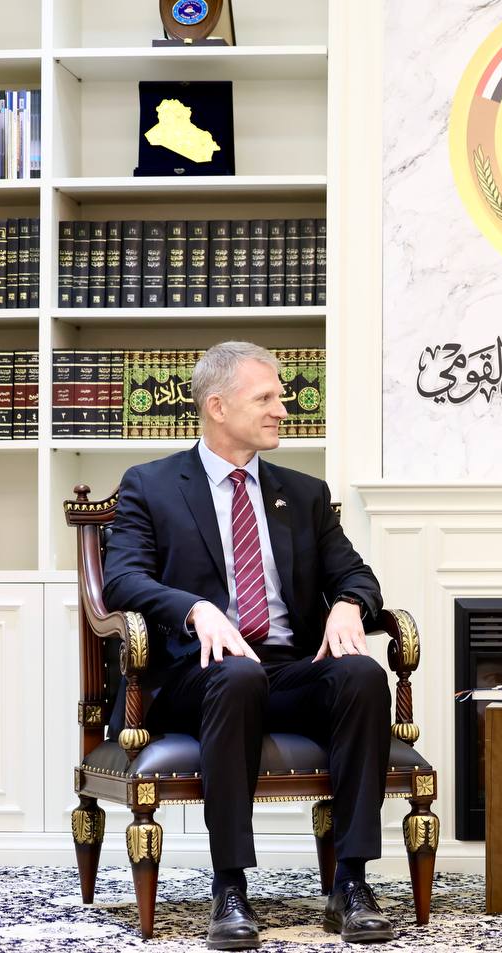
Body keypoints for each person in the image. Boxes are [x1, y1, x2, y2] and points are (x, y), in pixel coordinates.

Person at [104, 341, 396, 949]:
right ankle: (230, 888)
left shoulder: (304, 494)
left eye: (280, 398)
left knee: (362, 674)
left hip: (287, 670)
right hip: (198, 674)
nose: (282, 410)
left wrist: (349, 603)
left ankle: (351, 883)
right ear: (217, 406)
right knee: (237, 674)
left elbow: (356, 574)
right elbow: (122, 579)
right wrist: (195, 609)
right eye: (266, 398)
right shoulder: (151, 485)